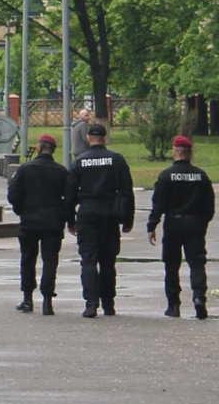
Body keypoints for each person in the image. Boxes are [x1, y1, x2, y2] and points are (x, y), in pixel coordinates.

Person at [64, 120, 135, 317]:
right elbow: (127, 192)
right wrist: (128, 220)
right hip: (110, 213)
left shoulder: (80, 161)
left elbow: (70, 194)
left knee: (88, 260)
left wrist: (70, 220)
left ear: (88, 139)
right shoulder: (117, 160)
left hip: (87, 213)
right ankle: (109, 304)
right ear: (104, 138)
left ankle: (91, 303)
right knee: (108, 261)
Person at [146, 132, 214, 319]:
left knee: (171, 265)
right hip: (195, 224)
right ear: (189, 153)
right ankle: (199, 298)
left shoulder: (166, 176)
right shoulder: (201, 176)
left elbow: (158, 204)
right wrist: (202, 222)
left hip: (173, 224)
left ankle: (173, 304)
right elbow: (210, 205)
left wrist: (152, 226)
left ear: (174, 152)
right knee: (197, 263)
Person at [6, 132, 67, 314]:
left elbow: (13, 195)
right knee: (50, 261)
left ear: (38, 148)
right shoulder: (61, 171)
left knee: (27, 259)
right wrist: (64, 216)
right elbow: (70, 197)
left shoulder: (25, 169)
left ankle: (27, 299)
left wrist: (21, 210)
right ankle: (47, 301)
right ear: (53, 151)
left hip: (29, 222)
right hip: (53, 224)